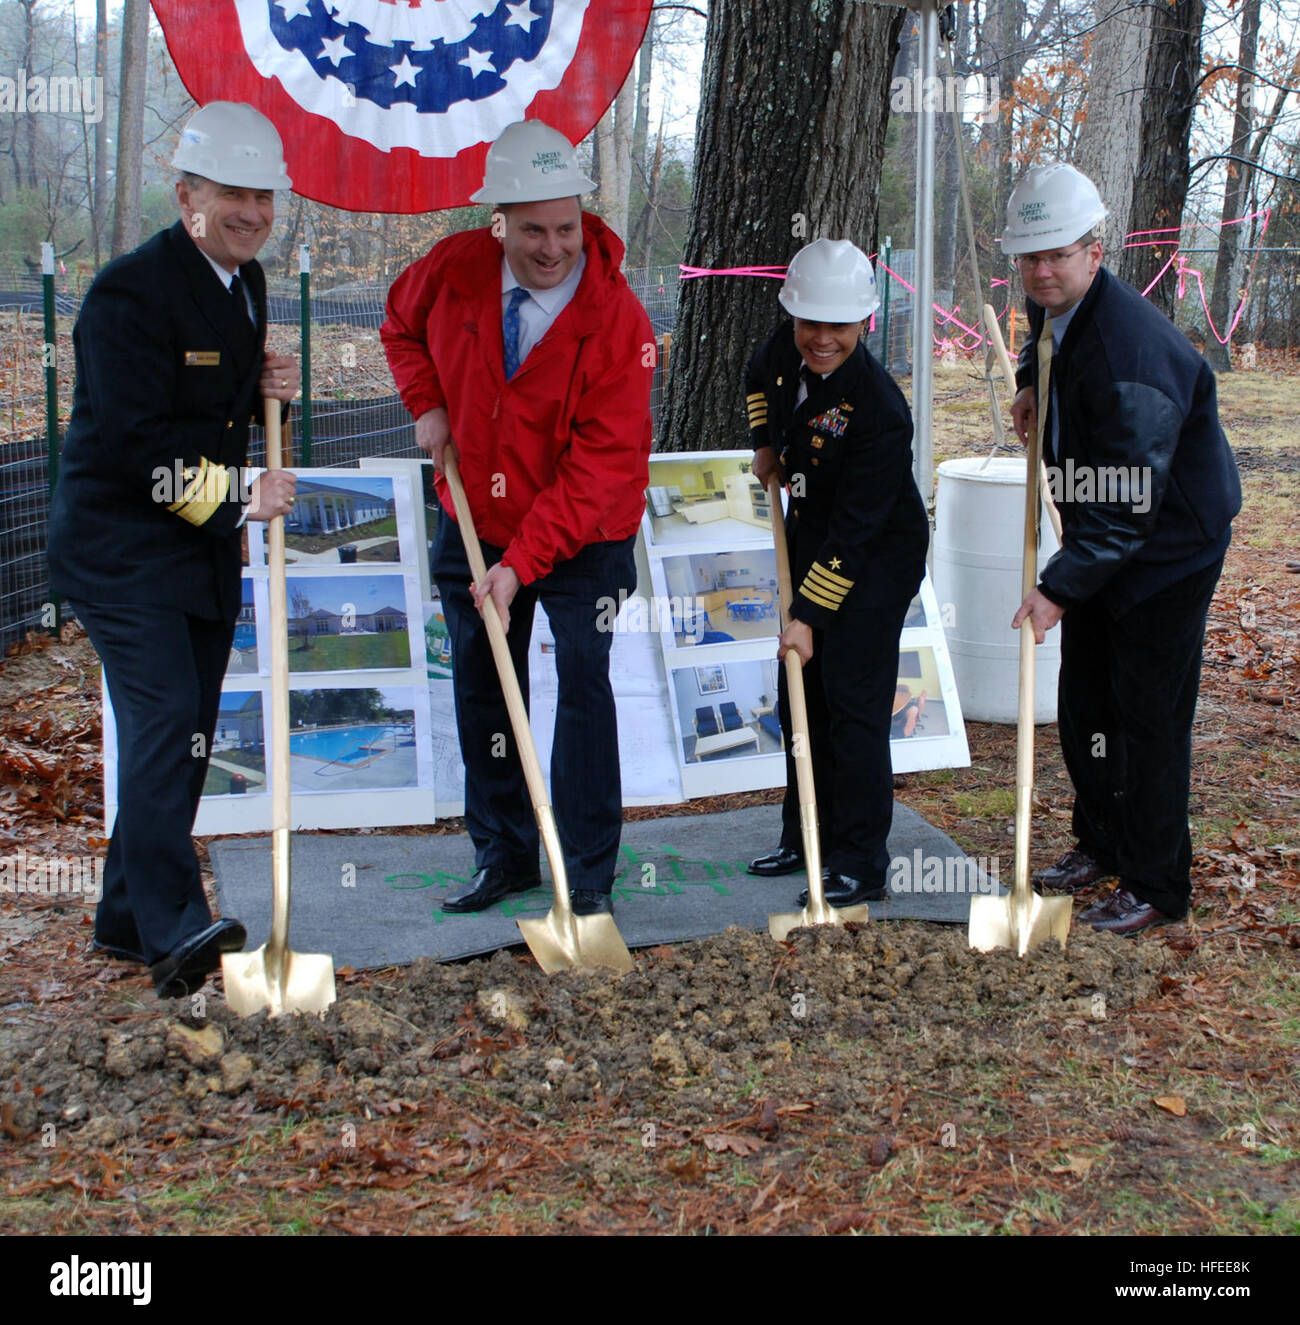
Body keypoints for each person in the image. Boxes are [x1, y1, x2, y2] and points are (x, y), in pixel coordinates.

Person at [47, 102, 300, 996]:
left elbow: (224, 410)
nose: (253, 212)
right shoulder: (129, 292)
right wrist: (240, 494)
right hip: (121, 551)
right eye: (233, 193)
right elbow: (134, 448)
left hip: (197, 554)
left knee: (189, 731)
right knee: (163, 725)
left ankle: (123, 915)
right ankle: (174, 930)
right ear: (187, 194)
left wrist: (273, 388)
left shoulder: (249, 282)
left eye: (263, 196)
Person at [381, 120, 653, 918]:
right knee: (483, 681)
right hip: (476, 513)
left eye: (565, 227)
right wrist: (426, 405)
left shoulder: (619, 322)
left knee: (582, 681)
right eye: (532, 229)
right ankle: (503, 852)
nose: (551, 247)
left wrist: (520, 564)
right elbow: (399, 328)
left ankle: (587, 873)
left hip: (584, 533)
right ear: (497, 221)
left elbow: (597, 470)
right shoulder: (452, 268)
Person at [1005, 162, 1241, 935]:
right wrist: (1027, 385)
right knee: (1088, 701)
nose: (1042, 270)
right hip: (1106, 535)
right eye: (1030, 257)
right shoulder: (1056, 309)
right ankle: (1099, 841)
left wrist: (1058, 587)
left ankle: (1156, 882)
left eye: (1058, 255)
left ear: (1095, 252)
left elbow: (1126, 508)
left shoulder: (1132, 356)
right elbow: (1044, 347)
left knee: (1148, 715)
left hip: (1168, 545)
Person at [744, 239, 929, 906]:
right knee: (800, 692)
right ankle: (805, 835)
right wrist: (765, 445)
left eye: (838, 327)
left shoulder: (879, 411)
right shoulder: (782, 345)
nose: (820, 339)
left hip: (875, 553)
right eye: (809, 324)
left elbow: (857, 535)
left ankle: (859, 861)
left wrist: (807, 618)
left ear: (865, 323)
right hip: (813, 527)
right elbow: (756, 377)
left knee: (850, 700)